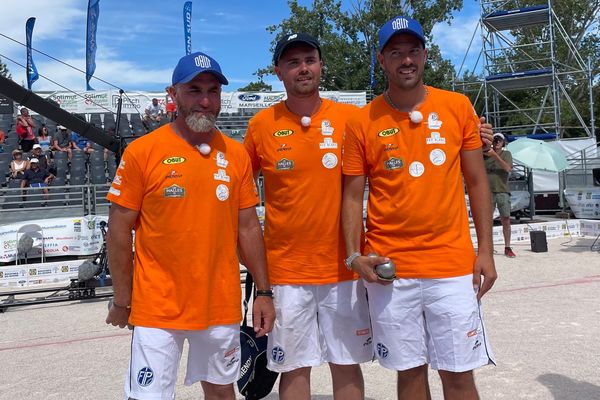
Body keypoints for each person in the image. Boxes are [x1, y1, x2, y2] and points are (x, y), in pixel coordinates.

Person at [341, 16, 497, 400]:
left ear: (425, 55)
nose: (406, 60)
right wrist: (353, 255)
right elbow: (350, 196)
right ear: (381, 60)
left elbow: (477, 182)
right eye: (396, 52)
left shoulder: (457, 106)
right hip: (391, 271)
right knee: (409, 375)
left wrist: (487, 252)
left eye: (413, 51)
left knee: (459, 375)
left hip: (451, 267)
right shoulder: (362, 121)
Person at [105, 51, 275, 400]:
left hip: (219, 304)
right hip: (157, 307)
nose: (205, 100)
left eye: (213, 91)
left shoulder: (236, 154)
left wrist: (264, 292)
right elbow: (120, 232)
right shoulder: (142, 152)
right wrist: (123, 299)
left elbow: (248, 228)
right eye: (194, 90)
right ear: (173, 94)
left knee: (221, 393)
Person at [244, 33, 372, 400]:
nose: (303, 68)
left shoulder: (351, 118)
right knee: (293, 367)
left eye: (310, 60)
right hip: (286, 273)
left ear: (320, 65)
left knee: (346, 364)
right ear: (278, 71)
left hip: (344, 268)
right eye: (293, 62)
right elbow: (237, 193)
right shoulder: (261, 125)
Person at [485, 133, 515, 258]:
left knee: (506, 219)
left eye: (500, 140)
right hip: (487, 192)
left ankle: (507, 247)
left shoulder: (506, 154)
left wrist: (494, 155)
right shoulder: (484, 154)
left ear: (503, 142)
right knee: (486, 221)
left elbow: (508, 168)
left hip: (502, 190)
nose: (497, 142)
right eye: (495, 139)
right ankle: (487, 247)